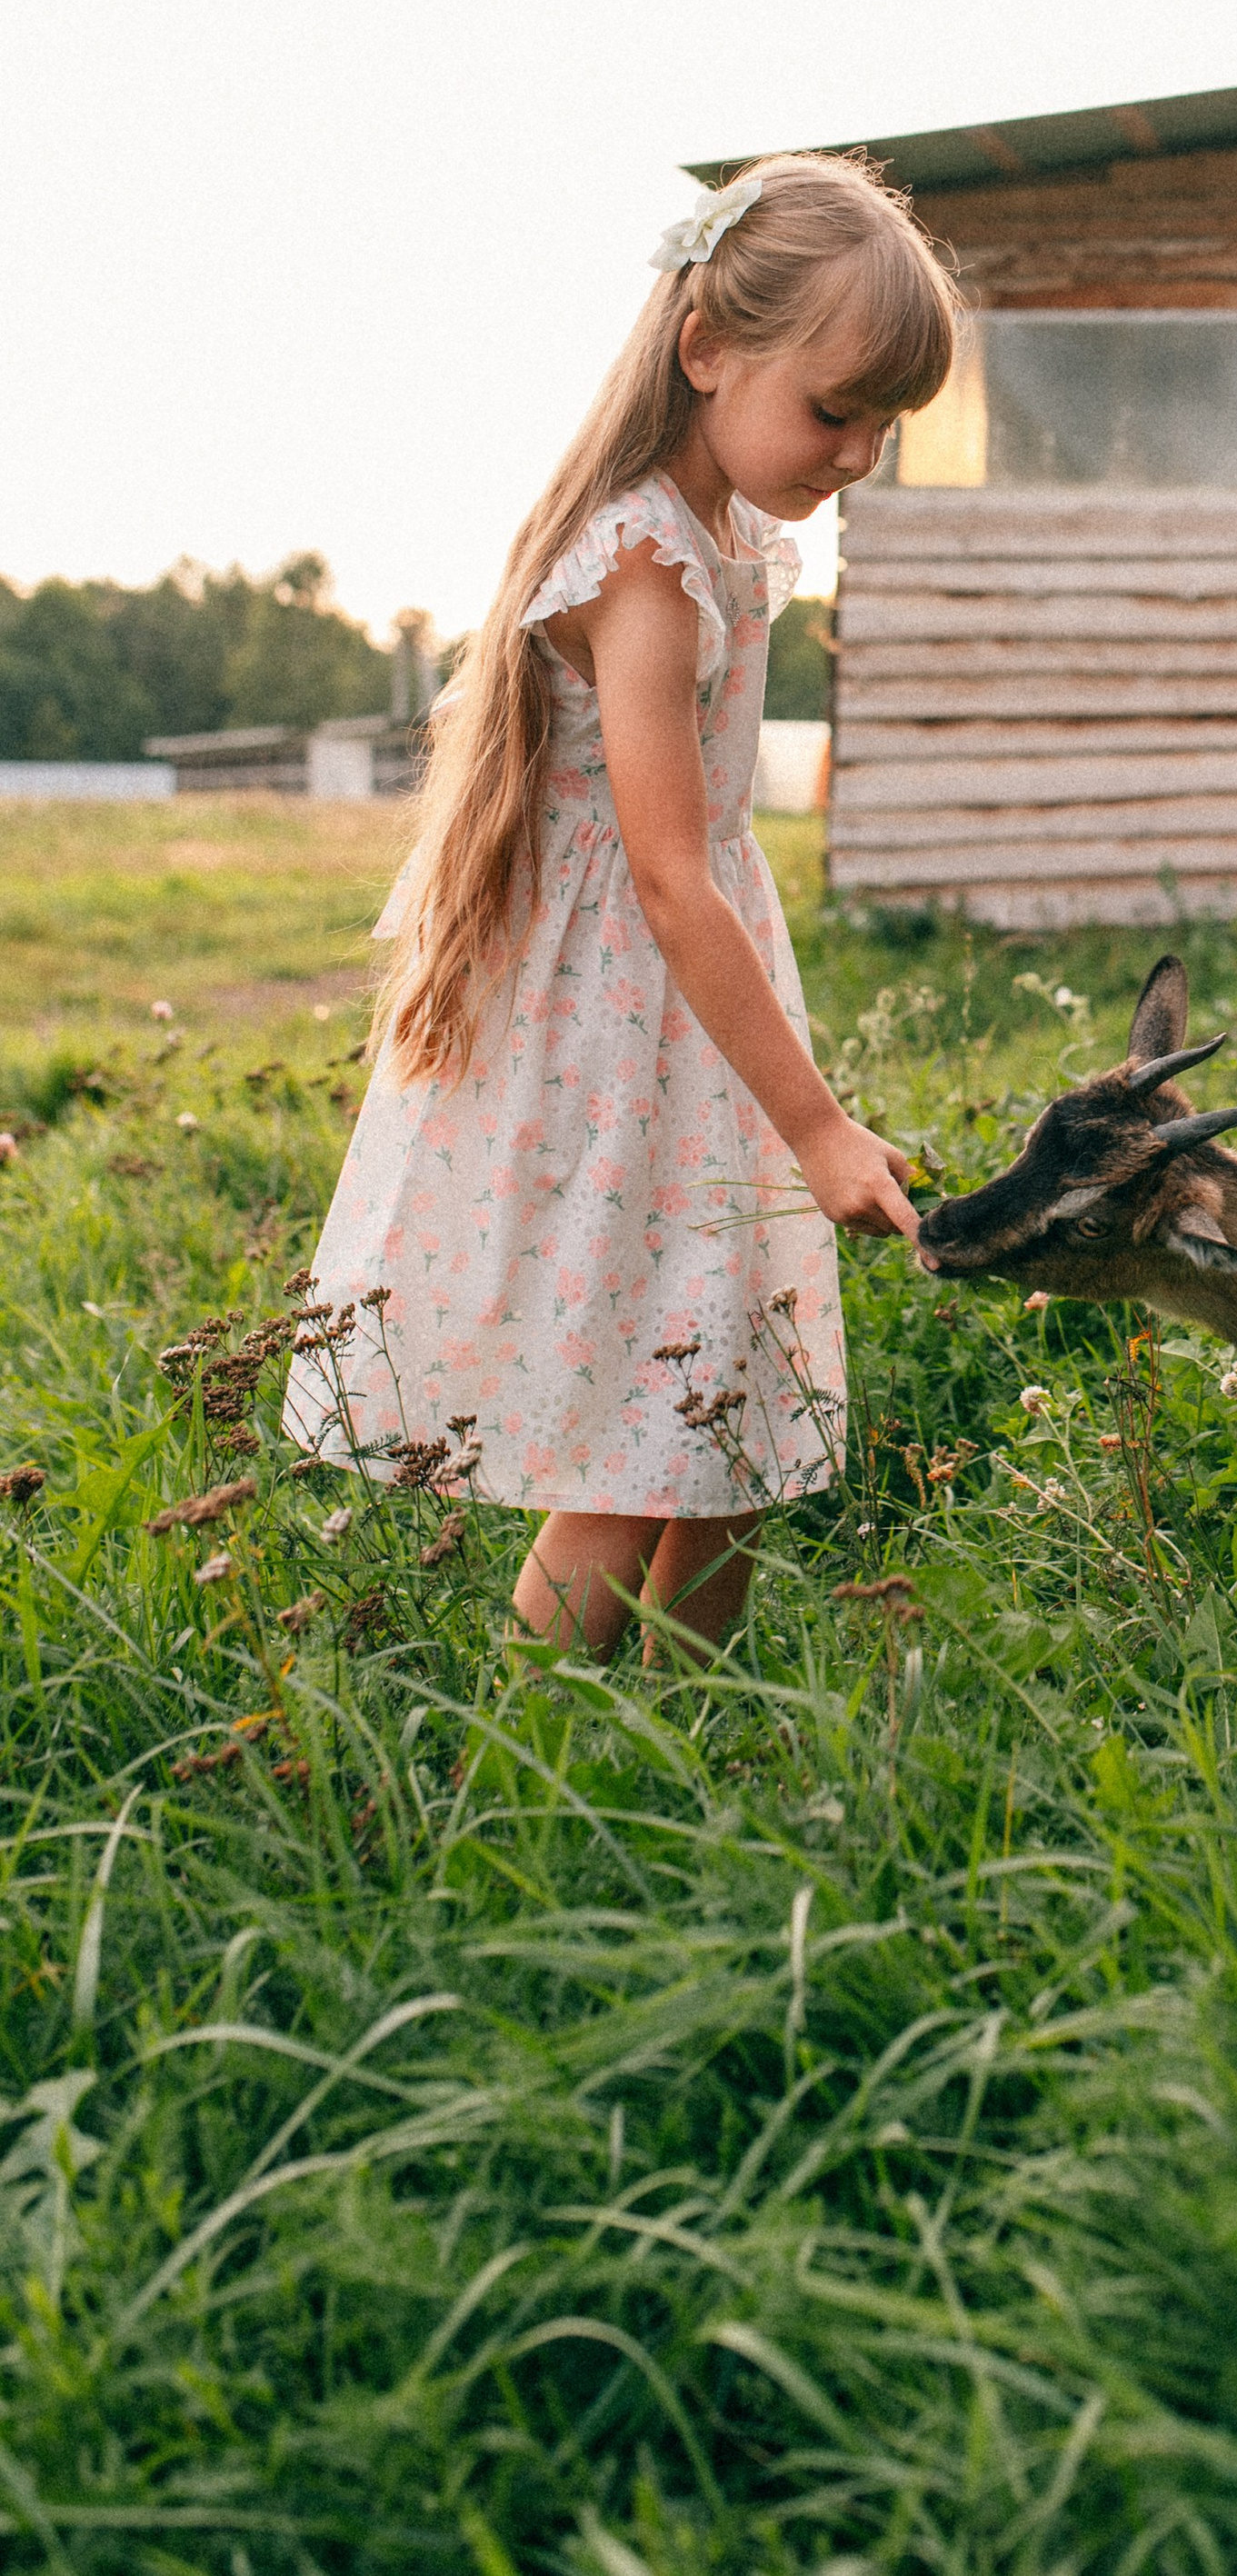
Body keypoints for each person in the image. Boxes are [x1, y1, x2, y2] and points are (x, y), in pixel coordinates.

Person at [284, 153, 956, 1660]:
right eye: (834, 407)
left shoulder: (729, 545)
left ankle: (681, 1752)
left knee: (728, 1419)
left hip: (693, 1018)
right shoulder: (644, 563)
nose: (855, 452)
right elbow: (667, 873)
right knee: (635, 1435)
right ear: (708, 350)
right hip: (628, 1033)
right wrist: (818, 1124)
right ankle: (534, 1771)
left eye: (883, 424)